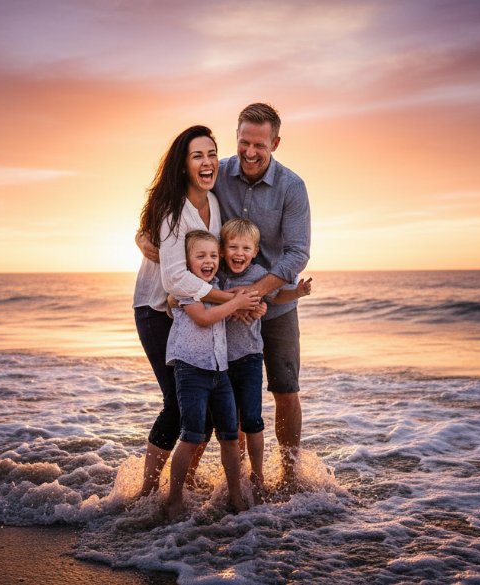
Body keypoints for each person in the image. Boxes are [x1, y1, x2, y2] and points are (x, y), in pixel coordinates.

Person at [138, 103, 311, 491]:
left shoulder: (292, 187)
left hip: (271, 299)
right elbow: (173, 202)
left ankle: (291, 477)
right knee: (218, 393)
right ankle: (200, 481)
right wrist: (141, 234)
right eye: (244, 142)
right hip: (222, 301)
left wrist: (256, 293)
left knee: (285, 389)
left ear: (275, 143)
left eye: (260, 145)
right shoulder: (217, 174)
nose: (250, 152)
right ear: (237, 138)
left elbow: (297, 252)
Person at [132, 125, 261, 498]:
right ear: (183, 164)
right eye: (196, 156)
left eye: (211, 154)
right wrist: (232, 301)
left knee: (201, 409)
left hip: (191, 313)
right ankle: (147, 492)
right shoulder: (173, 210)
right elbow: (173, 280)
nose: (206, 163)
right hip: (157, 310)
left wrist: (244, 295)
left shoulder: (214, 202)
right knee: (177, 404)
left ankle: (183, 485)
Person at [163, 230, 257, 518]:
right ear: (187, 261)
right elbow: (203, 318)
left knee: (230, 435)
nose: (209, 261)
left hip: (220, 371)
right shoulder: (185, 288)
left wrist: (253, 304)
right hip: (191, 370)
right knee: (192, 435)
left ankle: (236, 495)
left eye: (213, 255)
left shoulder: (217, 287)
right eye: (200, 256)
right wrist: (236, 303)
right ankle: (174, 498)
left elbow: (237, 305)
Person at [219, 218, 312, 503]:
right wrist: (236, 302)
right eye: (233, 246)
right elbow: (206, 300)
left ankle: (257, 476)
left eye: (245, 247)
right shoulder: (219, 277)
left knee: (253, 420)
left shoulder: (260, 273)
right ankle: (234, 479)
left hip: (249, 358)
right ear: (223, 250)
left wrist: (297, 292)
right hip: (222, 360)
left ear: (255, 251)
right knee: (230, 421)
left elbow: (278, 295)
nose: (239, 253)